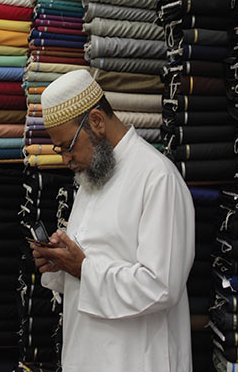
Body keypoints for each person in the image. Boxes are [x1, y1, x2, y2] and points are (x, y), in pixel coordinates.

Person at [30, 69, 195, 372]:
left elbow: (161, 286)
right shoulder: (93, 177)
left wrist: (82, 267)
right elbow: (97, 263)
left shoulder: (156, 177)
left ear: (96, 121)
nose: (65, 159)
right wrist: (62, 265)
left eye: (67, 146)